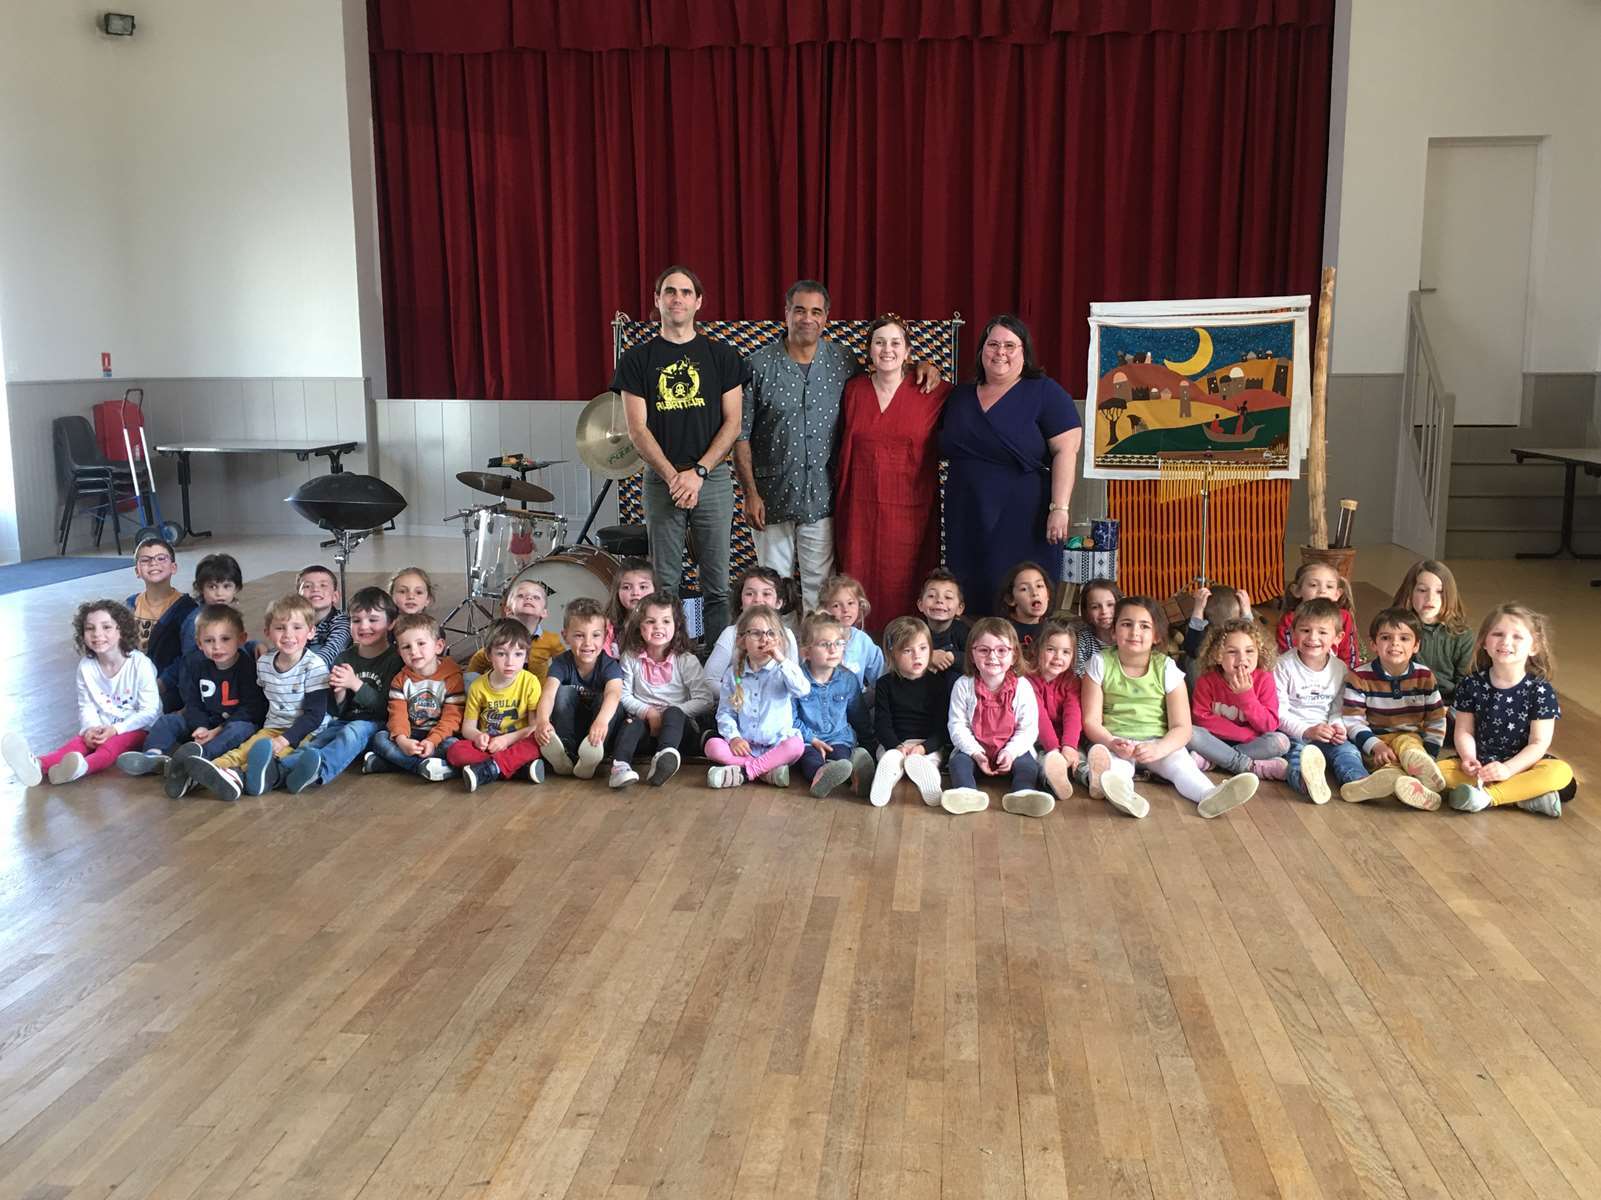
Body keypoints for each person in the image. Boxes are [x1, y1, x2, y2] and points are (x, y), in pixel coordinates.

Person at [613, 265, 746, 644]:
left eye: (686, 292)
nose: (677, 298)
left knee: (717, 583)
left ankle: (718, 665)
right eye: (669, 291)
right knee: (665, 583)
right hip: (662, 480)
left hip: (713, 479)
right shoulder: (637, 361)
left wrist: (698, 472)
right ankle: (668, 663)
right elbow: (637, 429)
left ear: (698, 301)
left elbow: (733, 423)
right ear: (657, 300)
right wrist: (674, 476)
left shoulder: (722, 357)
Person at [939, 314, 1082, 616]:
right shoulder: (960, 395)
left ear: (1024, 351)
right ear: (981, 351)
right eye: (992, 344)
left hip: (1023, 515)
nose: (1000, 352)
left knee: (1019, 590)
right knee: (969, 588)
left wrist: (1060, 508)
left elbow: (1066, 451)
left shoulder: (1045, 392)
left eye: (1009, 345)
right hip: (966, 512)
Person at [1080, 597, 1258, 819]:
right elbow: (1090, 721)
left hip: (1157, 741)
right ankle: (1126, 797)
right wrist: (1111, 742)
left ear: (1156, 636)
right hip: (1115, 740)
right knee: (1116, 771)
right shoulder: (1100, 663)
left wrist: (1160, 749)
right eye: (1126, 624)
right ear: (1114, 631)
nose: (1135, 631)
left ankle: (1210, 796)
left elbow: (1182, 727)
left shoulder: (1166, 668)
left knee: (1182, 766)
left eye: (1144, 626)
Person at [833, 313, 950, 629]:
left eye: (895, 342)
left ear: (908, 351)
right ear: (869, 350)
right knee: (857, 585)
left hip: (910, 514)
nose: (887, 349)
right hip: (859, 511)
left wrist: (930, 368)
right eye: (879, 342)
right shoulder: (852, 391)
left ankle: (906, 660)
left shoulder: (933, 392)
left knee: (904, 587)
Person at [182, 595, 331, 801]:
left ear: (311, 632)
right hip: (272, 726)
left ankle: (239, 777)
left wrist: (284, 738)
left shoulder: (315, 667)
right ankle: (204, 772)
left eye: (297, 627)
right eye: (280, 628)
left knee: (274, 755)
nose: (288, 635)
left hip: (305, 730)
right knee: (245, 749)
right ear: (267, 632)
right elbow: (260, 701)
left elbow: (315, 715)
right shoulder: (264, 663)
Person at [3, 600, 158, 786]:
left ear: (121, 630)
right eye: (90, 628)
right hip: (102, 726)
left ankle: (82, 767)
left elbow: (149, 711)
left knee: (110, 746)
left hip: (137, 728)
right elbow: (87, 706)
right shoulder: (86, 666)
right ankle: (37, 765)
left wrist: (116, 729)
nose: (97, 634)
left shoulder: (140, 664)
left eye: (106, 627)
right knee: (77, 743)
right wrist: (90, 728)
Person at [116, 603, 266, 793]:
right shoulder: (193, 663)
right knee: (169, 720)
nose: (217, 646)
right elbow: (192, 701)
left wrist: (217, 731)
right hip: (204, 722)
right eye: (209, 641)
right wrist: (201, 726)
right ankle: (153, 755)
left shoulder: (247, 666)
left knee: (241, 729)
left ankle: (200, 758)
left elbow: (251, 708)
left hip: (232, 724)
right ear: (199, 643)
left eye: (225, 639)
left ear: (241, 639)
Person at [1440, 604, 1573, 816]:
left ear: (1534, 646)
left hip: (1523, 767)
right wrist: (1468, 758)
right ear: (1484, 641)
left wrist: (1508, 770)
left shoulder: (1540, 690)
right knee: (1439, 772)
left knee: (1562, 775)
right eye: (1498, 634)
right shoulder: (1471, 684)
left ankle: (1490, 797)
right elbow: (1464, 731)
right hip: (1480, 766)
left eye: (1517, 637)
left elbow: (1539, 743)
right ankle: (1522, 799)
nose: (1506, 642)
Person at [276, 587, 405, 794]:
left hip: (378, 726)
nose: (364, 626)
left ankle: (318, 772)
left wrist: (355, 684)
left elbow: (386, 708)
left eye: (373, 620)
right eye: (356, 620)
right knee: (317, 742)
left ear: (391, 623)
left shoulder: (395, 660)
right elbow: (337, 711)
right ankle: (278, 772)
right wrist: (339, 693)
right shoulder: (345, 658)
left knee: (352, 732)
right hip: (346, 720)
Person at [941, 618, 1055, 817]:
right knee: (958, 764)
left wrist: (1010, 752)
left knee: (1027, 766)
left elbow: (1028, 729)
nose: (992, 656)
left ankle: (1022, 794)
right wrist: (975, 752)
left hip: (1012, 749)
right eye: (984, 650)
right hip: (974, 749)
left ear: (1014, 655)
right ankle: (967, 792)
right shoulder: (963, 685)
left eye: (1001, 650)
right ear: (972, 654)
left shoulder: (1022, 687)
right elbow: (957, 726)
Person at [1340, 607, 1447, 809]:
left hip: (1412, 740)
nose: (1395, 643)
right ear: (1373, 644)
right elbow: (1352, 721)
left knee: (1408, 744)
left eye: (1404, 638)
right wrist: (1375, 746)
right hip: (1375, 741)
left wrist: (1430, 754)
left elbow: (1436, 718)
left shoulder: (1424, 676)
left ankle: (1414, 774)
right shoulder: (1359, 677)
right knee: (1384, 764)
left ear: (1416, 645)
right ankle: (1403, 783)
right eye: (1386, 637)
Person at [1273, 597, 1372, 805]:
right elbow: (1279, 712)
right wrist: (1307, 731)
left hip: (1327, 732)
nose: (1313, 638)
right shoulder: (1283, 666)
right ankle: (1307, 783)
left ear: (1338, 637)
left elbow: (1338, 707)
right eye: (1305, 630)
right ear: (1292, 632)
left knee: (1348, 751)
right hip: (1295, 733)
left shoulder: (1339, 669)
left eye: (1322, 632)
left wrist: (1337, 726)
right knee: (1296, 757)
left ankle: (1360, 782)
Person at [612, 592, 717, 788]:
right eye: (651, 621)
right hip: (646, 728)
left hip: (679, 732)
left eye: (666, 621)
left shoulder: (686, 660)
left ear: (676, 626)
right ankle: (620, 768)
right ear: (639, 627)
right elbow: (623, 694)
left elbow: (705, 700)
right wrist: (649, 712)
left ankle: (665, 758)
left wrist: (668, 714)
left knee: (674, 713)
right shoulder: (630, 657)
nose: (658, 627)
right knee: (630, 724)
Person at [705, 604, 809, 788]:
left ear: (779, 639)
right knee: (712, 746)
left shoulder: (782, 670)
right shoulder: (733, 674)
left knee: (796, 745)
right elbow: (725, 713)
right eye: (756, 633)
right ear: (742, 640)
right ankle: (766, 772)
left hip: (777, 747)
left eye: (771, 633)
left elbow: (803, 690)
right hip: (745, 749)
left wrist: (781, 659)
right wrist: (734, 738)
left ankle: (745, 772)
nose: (764, 639)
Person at [446, 619, 547, 791]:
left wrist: (507, 739)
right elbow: (468, 728)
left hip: (518, 741)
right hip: (489, 745)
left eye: (518, 654)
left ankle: (490, 769)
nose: (510, 662)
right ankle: (518, 769)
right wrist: (478, 737)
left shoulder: (530, 682)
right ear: (488, 655)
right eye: (501, 654)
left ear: (526, 657)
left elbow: (533, 727)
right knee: (455, 751)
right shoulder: (478, 686)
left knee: (540, 742)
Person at [1187, 618, 1292, 779]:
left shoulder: (1264, 679)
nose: (1242, 658)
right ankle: (1249, 766)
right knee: (1190, 733)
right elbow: (1201, 719)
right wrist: (1241, 734)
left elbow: (1269, 725)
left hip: (1250, 744)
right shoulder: (1207, 681)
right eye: (1232, 652)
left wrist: (1246, 696)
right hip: (1215, 741)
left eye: (1249, 651)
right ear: (1217, 656)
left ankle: (1213, 762)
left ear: (1260, 652)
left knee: (1280, 741)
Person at [366, 612, 464, 782]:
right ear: (399, 652)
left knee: (454, 746)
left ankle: (393, 764)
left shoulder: (451, 677)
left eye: (421, 644)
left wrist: (432, 741)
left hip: (440, 737)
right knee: (379, 739)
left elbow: (452, 718)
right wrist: (403, 740)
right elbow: (398, 715)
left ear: (438, 646)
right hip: (412, 734)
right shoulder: (400, 680)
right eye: (406, 647)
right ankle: (422, 767)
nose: (414, 651)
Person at [532, 597, 623, 779]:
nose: (588, 643)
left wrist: (602, 721)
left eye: (595, 635)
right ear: (565, 636)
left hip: (599, 729)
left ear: (605, 636)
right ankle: (565, 751)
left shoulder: (609, 664)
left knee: (610, 702)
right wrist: (542, 721)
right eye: (579, 635)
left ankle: (594, 752)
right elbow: (549, 693)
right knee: (563, 692)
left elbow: (614, 693)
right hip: (572, 726)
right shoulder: (561, 663)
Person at [870, 616, 952, 807]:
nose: (917, 656)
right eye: (908, 651)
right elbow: (882, 723)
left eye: (923, 649)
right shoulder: (885, 684)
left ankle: (930, 781)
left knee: (929, 762)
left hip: (926, 745)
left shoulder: (938, 684)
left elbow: (942, 727)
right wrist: (896, 746)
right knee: (890, 759)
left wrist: (923, 748)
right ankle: (885, 782)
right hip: (895, 743)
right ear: (892, 654)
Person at [792, 611, 873, 799]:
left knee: (842, 759)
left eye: (838, 643)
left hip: (838, 737)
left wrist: (869, 744)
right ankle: (820, 777)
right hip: (808, 740)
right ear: (806, 652)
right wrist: (811, 738)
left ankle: (857, 776)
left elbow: (858, 715)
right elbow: (790, 718)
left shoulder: (847, 679)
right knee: (810, 761)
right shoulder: (796, 680)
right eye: (824, 644)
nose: (833, 649)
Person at [1391, 558, 1474, 707]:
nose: (1430, 598)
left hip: (1449, 705)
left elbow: (1466, 682)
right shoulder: (1396, 629)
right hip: (1406, 702)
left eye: (1440, 592)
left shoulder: (1462, 635)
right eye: (1422, 590)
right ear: (1409, 593)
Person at [126, 536, 198, 692]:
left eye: (161, 558)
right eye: (145, 560)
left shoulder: (187, 609)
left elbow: (188, 656)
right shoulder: (130, 605)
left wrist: (162, 683)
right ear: (137, 570)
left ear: (173, 567)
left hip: (169, 687)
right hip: (132, 684)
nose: (153, 563)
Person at [703, 567, 799, 684]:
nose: (758, 600)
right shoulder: (731, 634)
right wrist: (740, 696)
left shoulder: (787, 635)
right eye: (750, 594)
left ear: (778, 603)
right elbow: (709, 681)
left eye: (766, 594)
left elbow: (797, 682)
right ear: (741, 602)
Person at [465, 577, 565, 683]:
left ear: (544, 612)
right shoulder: (499, 637)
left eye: (536, 597)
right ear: (508, 609)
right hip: (502, 693)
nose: (529, 598)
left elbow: (565, 663)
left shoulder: (551, 640)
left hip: (537, 695)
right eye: (521, 595)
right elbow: (479, 659)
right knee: (469, 679)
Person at [1028, 619, 1082, 804]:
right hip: (1037, 739)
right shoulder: (1027, 679)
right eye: (1051, 649)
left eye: (1066, 652)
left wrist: (1069, 746)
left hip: (1064, 739)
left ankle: (1092, 778)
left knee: (1080, 758)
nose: (1058, 657)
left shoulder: (1072, 680)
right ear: (1036, 649)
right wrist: (1055, 750)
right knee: (1043, 760)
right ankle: (1052, 781)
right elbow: (1040, 718)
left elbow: (1073, 714)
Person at [1276, 561, 1360, 670]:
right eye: (1313, 585)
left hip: (1335, 676)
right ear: (1297, 590)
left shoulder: (1344, 617)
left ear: (1337, 594)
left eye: (1329, 586)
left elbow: (1349, 653)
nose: (1322, 591)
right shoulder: (1290, 619)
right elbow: (1287, 656)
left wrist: (1350, 677)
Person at [294, 564, 351, 666]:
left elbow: (333, 650)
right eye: (307, 586)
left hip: (324, 672)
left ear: (335, 596)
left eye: (323, 585)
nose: (315, 589)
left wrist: (300, 670)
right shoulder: (292, 621)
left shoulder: (341, 621)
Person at [916, 568, 968, 674]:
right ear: (920, 605)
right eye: (931, 596)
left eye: (948, 597)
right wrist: (929, 657)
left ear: (960, 608)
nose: (939, 600)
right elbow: (899, 654)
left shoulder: (963, 631)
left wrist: (952, 657)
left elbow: (976, 658)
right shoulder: (914, 630)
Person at [603, 558, 657, 658]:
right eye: (627, 587)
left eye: (643, 587)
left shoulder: (664, 623)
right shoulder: (608, 625)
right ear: (617, 591)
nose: (635, 593)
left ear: (655, 589)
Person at [998, 561, 1052, 657]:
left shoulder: (1053, 631)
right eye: (1024, 589)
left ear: (1048, 594)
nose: (1035, 593)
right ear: (1010, 599)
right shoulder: (1001, 632)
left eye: (1039, 586)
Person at [1071, 578, 1121, 675]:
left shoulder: (1128, 635)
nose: (1104, 611)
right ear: (1086, 612)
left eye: (1110, 604)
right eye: (1095, 607)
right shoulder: (1083, 638)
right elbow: (1077, 672)